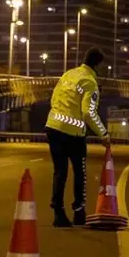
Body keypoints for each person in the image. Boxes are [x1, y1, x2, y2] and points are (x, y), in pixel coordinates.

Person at [44, 47, 111, 228]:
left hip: (52, 126)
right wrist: (103, 134)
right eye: (104, 66)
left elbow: (54, 99)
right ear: (97, 64)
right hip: (73, 135)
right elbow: (88, 113)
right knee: (79, 172)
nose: (104, 70)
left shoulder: (68, 75)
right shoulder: (90, 82)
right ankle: (79, 212)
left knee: (60, 172)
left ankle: (58, 213)